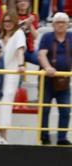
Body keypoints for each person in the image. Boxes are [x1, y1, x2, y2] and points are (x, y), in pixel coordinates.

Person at [0, 15, 27, 145]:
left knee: (5, 103)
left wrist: (21, 65)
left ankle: (3, 136)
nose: (8, 23)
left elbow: (20, 51)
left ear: (15, 22)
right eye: (5, 21)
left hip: (10, 74)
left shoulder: (19, 34)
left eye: (10, 21)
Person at [37, 13, 71, 146]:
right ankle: (44, 137)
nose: (61, 24)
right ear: (53, 24)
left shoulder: (71, 37)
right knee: (45, 109)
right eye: (58, 22)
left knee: (65, 110)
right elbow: (41, 54)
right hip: (47, 79)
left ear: (68, 24)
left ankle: (62, 138)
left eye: (63, 22)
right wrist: (47, 67)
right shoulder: (47, 37)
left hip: (64, 80)